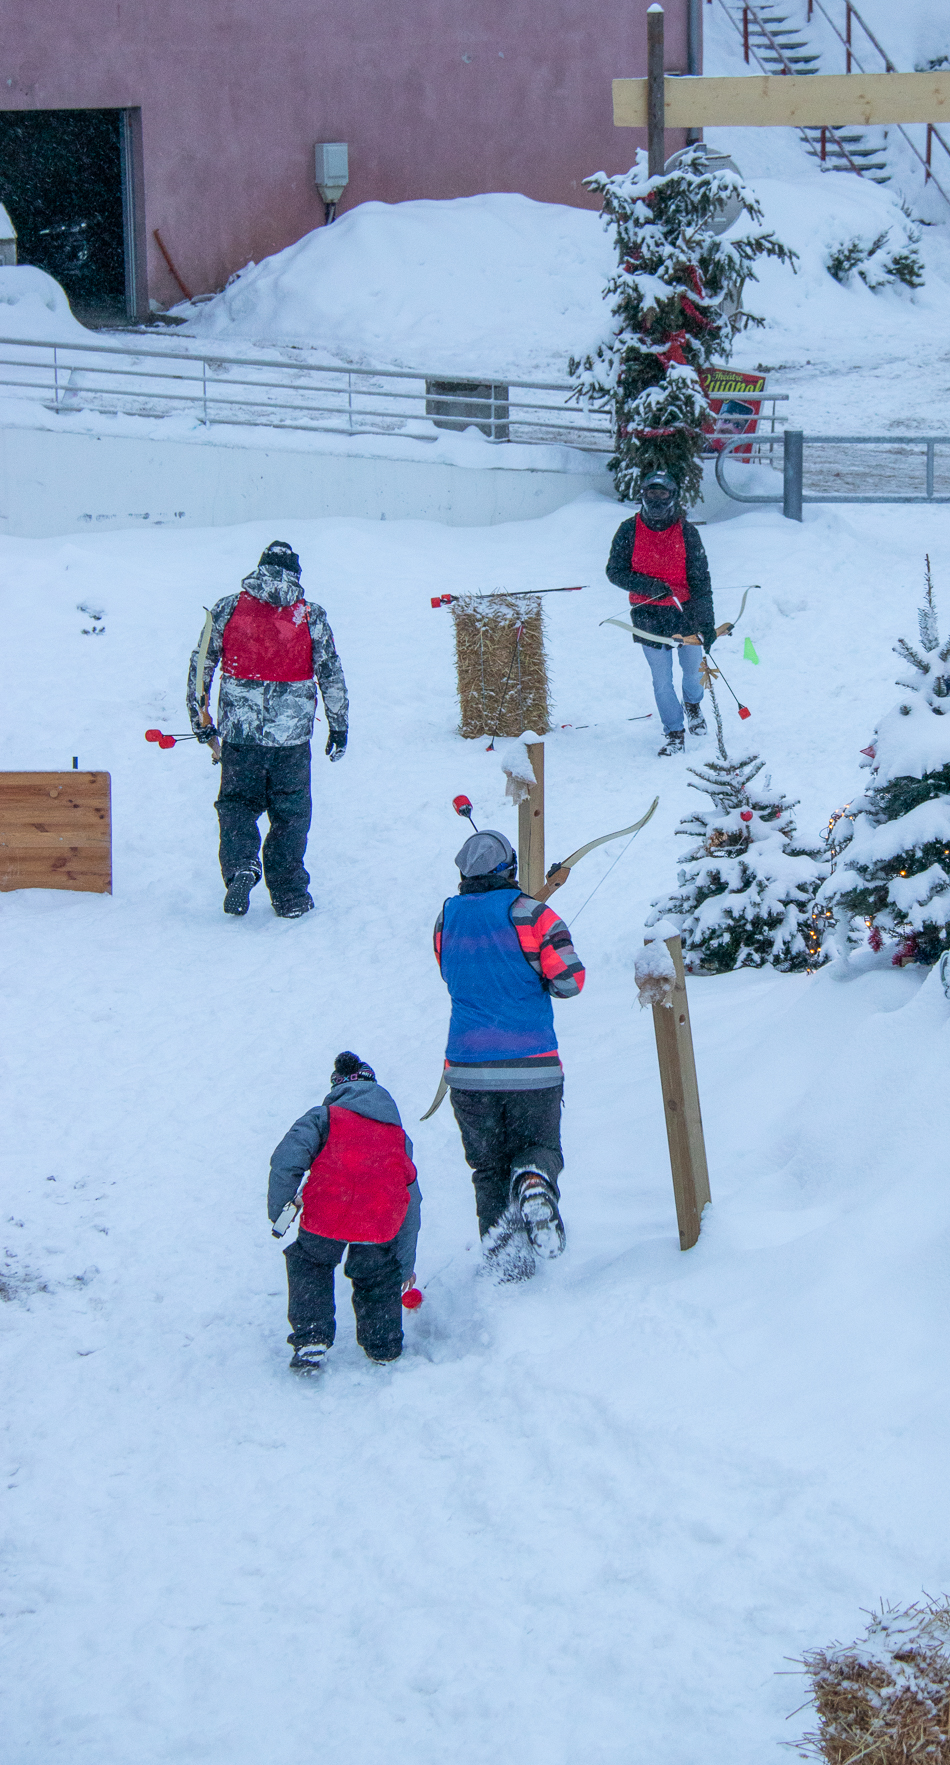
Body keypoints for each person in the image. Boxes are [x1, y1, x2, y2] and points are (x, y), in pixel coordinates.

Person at [433, 828, 585, 1264]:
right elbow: (570, 982)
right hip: (531, 1066)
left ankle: (506, 1269)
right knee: (538, 1149)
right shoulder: (532, 915)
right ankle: (535, 1181)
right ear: (511, 868)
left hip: (466, 1071)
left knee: (489, 1171)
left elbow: (450, 974)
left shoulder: (446, 918)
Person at [185, 539, 348, 918]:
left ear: (259, 569)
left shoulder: (227, 608)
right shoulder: (310, 614)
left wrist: (201, 720)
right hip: (291, 739)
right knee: (291, 814)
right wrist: (338, 725)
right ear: (296, 574)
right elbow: (331, 673)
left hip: (241, 736)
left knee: (238, 806)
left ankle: (242, 864)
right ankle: (289, 894)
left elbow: (200, 668)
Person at [268, 1051, 421, 1374]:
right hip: (379, 1219)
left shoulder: (323, 1117)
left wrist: (279, 1210)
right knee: (377, 1274)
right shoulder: (398, 1136)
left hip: (327, 1208)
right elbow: (412, 1198)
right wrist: (404, 1264)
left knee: (311, 1262)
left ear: (337, 1088)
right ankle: (384, 1346)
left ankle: (312, 1337)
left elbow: (287, 1159)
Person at [605, 470, 716, 755]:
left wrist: (708, 624)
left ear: (673, 497)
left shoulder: (687, 533)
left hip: (685, 612)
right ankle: (674, 732)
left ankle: (692, 704)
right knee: (661, 678)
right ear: (642, 496)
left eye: (662, 494)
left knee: (692, 673)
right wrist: (648, 585)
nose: (656, 500)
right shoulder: (628, 530)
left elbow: (701, 581)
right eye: (651, 494)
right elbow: (614, 571)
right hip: (647, 615)